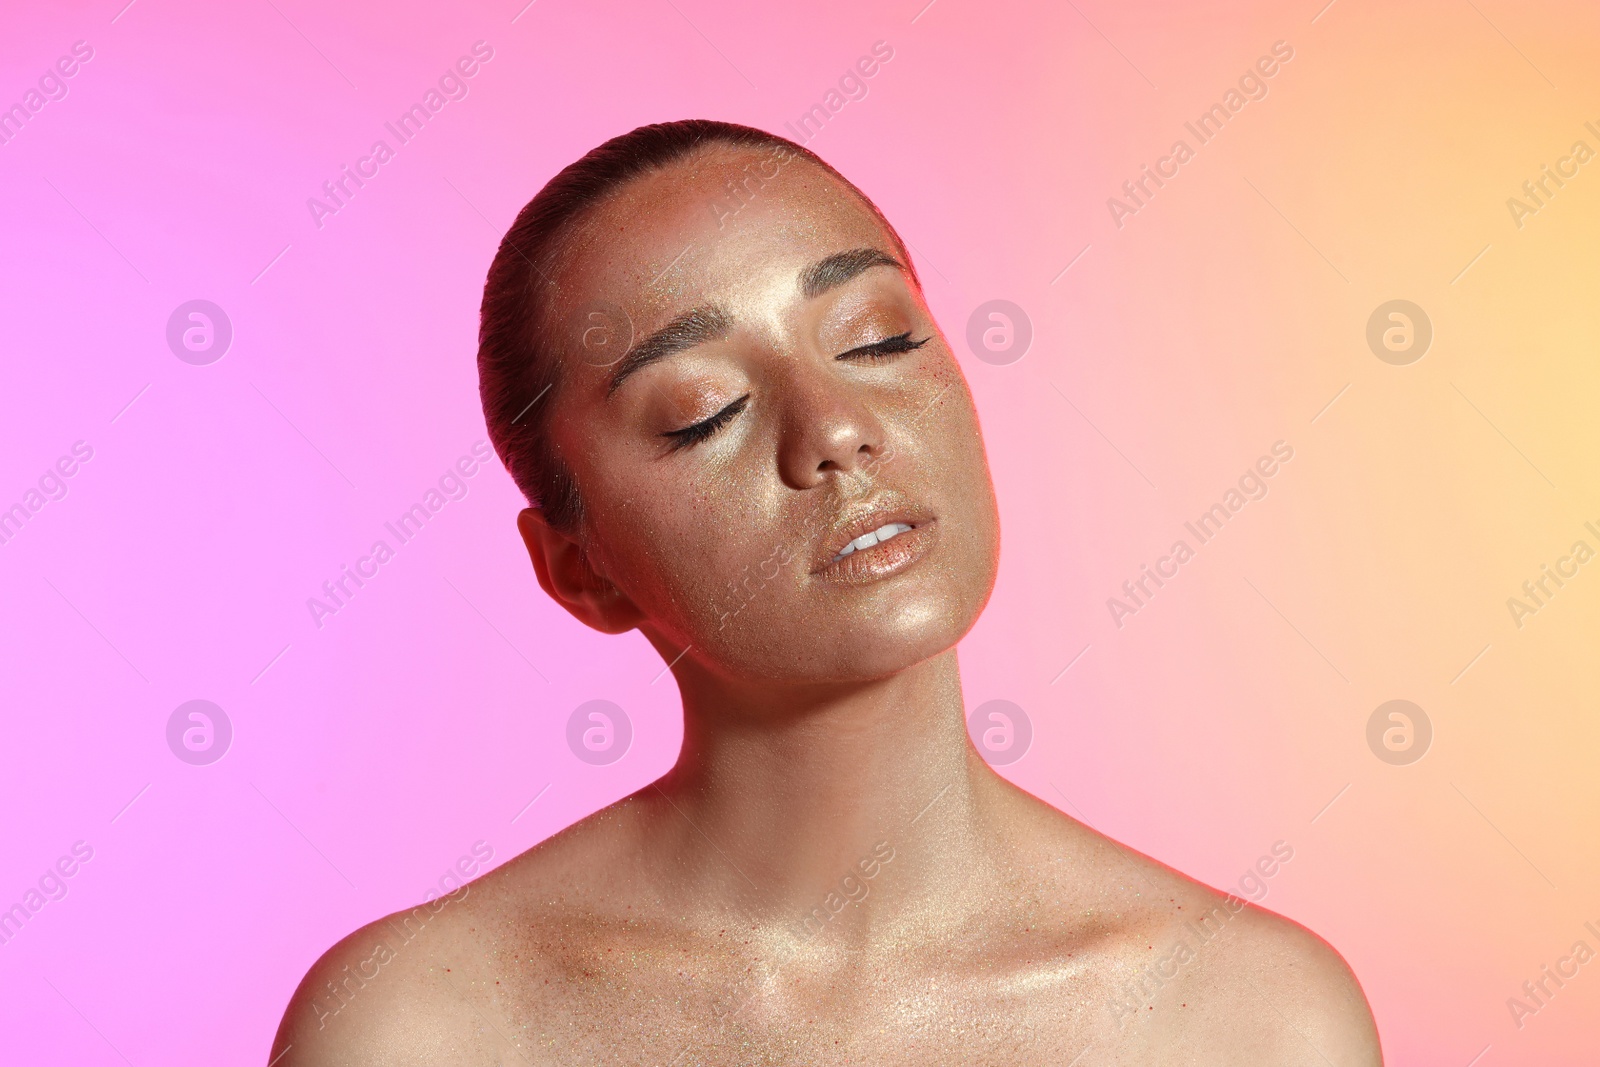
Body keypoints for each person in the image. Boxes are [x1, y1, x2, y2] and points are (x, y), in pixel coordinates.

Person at [271, 120, 1381, 1065]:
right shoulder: (424, 1024)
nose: (834, 429)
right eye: (701, 409)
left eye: (876, 336)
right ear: (581, 567)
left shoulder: (1245, 1017)